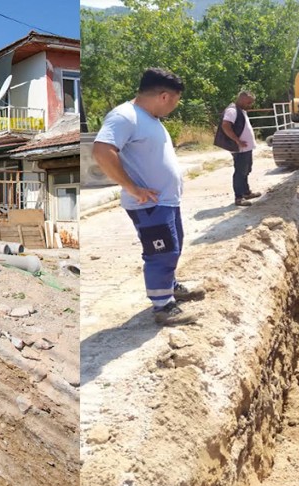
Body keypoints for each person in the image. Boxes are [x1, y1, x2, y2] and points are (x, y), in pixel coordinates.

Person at [92, 68, 205, 326]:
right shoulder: (125, 117)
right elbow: (101, 151)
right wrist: (133, 188)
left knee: (172, 247)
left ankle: (169, 287)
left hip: (166, 201)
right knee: (161, 253)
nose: (174, 107)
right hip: (149, 205)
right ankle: (163, 307)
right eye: (176, 101)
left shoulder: (149, 119)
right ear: (164, 96)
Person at [221, 91, 261, 207]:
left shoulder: (240, 111)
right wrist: (237, 140)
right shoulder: (232, 111)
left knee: (246, 170)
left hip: (246, 148)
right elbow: (225, 125)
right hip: (240, 149)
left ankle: (246, 192)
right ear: (242, 99)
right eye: (248, 102)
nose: (250, 105)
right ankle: (239, 198)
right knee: (240, 172)